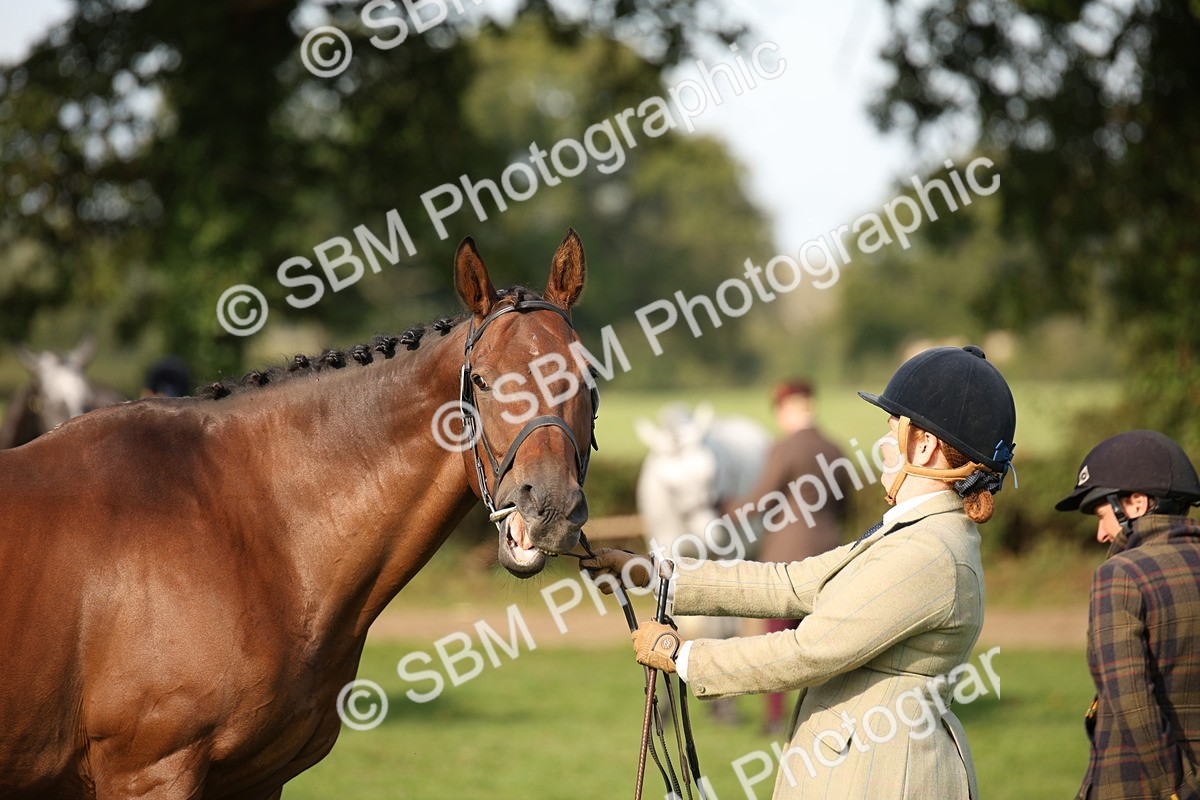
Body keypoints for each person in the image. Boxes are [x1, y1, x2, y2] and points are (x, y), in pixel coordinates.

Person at [584, 344, 1016, 799]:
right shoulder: (913, 533)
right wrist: (656, 575)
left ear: (924, 445)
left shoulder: (927, 551)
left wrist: (684, 657)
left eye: (893, 430)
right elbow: (791, 583)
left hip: (879, 777)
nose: (885, 444)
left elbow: (810, 651)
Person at [1055, 430, 1200, 800]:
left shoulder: (1120, 575)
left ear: (1136, 504)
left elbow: (1131, 700)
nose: (1102, 534)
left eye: (1102, 515)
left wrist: (1177, 788)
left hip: (1141, 784)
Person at [719, 379, 849, 735]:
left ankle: (775, 718)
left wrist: (724, 509)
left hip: (786, 557)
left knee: (776, 642)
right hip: (829, 551)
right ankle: (823, 715)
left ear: (786, 409)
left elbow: (761, 499)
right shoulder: (835, 448)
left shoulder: (785, 448)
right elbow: (844, 504)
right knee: (821, 642)